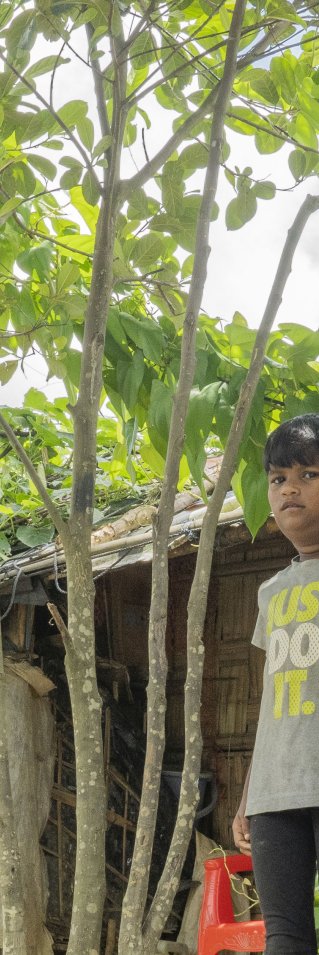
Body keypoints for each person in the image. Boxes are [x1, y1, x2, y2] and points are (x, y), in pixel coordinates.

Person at [232, 413, 319, 955]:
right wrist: (247, 794)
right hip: (275, 792)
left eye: (309, 474)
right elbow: (272, 696)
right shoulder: (271, 591)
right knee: (284, 939)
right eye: (278, 477)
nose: (290, 488)